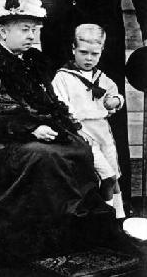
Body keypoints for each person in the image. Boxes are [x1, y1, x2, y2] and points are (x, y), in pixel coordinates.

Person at [0, 0, 136, 265]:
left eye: (35, 30)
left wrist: (61, 126)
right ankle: (41, 236)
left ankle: (69, 231)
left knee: (76, 147)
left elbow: (48, 103)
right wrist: (30, 128)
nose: (32, 36)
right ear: (3, 30)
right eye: (25, 29)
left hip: (22, 135)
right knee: (45, 156)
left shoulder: (29, 62)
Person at [22, 0, 147, 210]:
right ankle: (64, 202)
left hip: (101, 51)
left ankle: (116, 203)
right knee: (60, 119)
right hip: (55, 51)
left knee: (107, 119)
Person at [52, 24, 125, 219]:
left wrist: (115, 101)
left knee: (115, 177)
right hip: (82, 131)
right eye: (83, 52)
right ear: (73, 49)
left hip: (103, 130)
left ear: (101, 52)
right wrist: (76, 129)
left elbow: (115, 94)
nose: (89, 58)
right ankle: (107, 219)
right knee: (106, 177)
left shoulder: (102, 77)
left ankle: (120, 217)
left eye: (95, 54)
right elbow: (60, 108)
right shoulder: (62, 78)